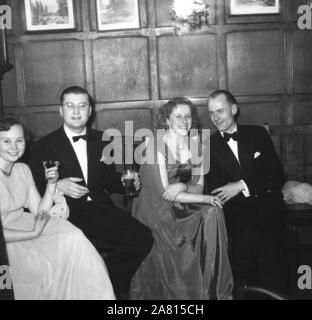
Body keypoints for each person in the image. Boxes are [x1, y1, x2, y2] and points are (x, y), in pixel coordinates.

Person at [29, 86, 153, 299]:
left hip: (98, 209)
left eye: (82, 106)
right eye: (70, 106)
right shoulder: (42, 146)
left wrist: (123, 181)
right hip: (63, 214)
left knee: (141, 237)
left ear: (90, 111)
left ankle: (105, 287)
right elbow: (30, 186)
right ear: (61, 111)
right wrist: (58, 185)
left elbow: (106, 178)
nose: (76, 111)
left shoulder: (103, 138)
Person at [130, 97, 233, 300]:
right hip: (156, 211)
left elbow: (199, 186)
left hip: (181, 202)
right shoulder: (155, 144)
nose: (184, 121)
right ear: (167, 120)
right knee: (209, 207)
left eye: (187, 116)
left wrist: (183, 185)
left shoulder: (196, 144)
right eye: (178, 116)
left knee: (213, 212)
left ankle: (212, 290)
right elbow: (164, 193)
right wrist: (203, 197)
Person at [0, 118, 115, 300]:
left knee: (76, 239)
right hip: (6, 238)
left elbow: (39, 211)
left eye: (19, 140)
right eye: (6, 141)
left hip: (27, 224)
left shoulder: (22, 169)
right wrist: (32, 233)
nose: (14, 146)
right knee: (44, 267)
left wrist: (52, 185)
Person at [205, 89, 288, 296]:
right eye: (211, 113)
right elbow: (217, 189)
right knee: (247, 245)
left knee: (274, 254)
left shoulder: (257, 134)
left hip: (270, 204)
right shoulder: (208, 145)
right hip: (238, 211)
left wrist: (239, 185)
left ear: (234, 109)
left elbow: (276, 175)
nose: (216, 117)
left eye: (220, 111)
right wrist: (251, 184)